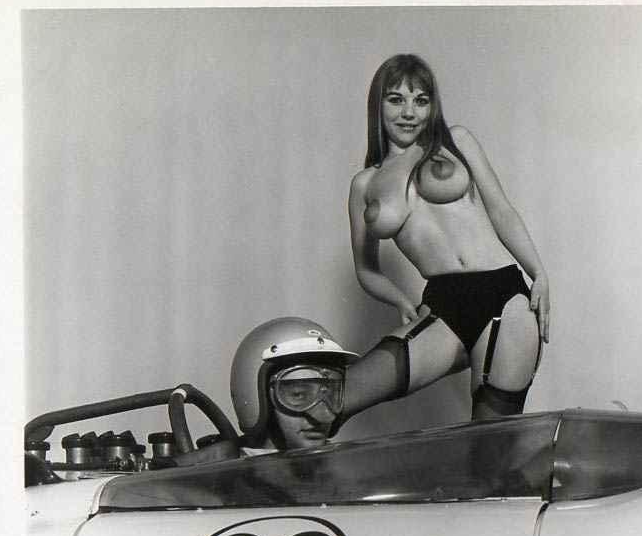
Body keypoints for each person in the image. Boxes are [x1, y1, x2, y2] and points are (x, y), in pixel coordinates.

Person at [343, 53, 551, 421]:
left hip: (504, 296)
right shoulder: (364, 183)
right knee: (337, 397)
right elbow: (366, 269)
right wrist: (401, 300)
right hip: (442, 303)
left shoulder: (457, 142)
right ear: (378, 105)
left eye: (421, 100)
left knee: (491, 443)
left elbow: (501, 210)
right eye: (396, 100)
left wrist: (539, 273)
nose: (409, 112)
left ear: (432, 106)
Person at [230, 317, 357, 452]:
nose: (323, 415)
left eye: (330, 395)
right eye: (298, 395)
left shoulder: (341, 459)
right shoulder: (229, 464)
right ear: (259, 397)